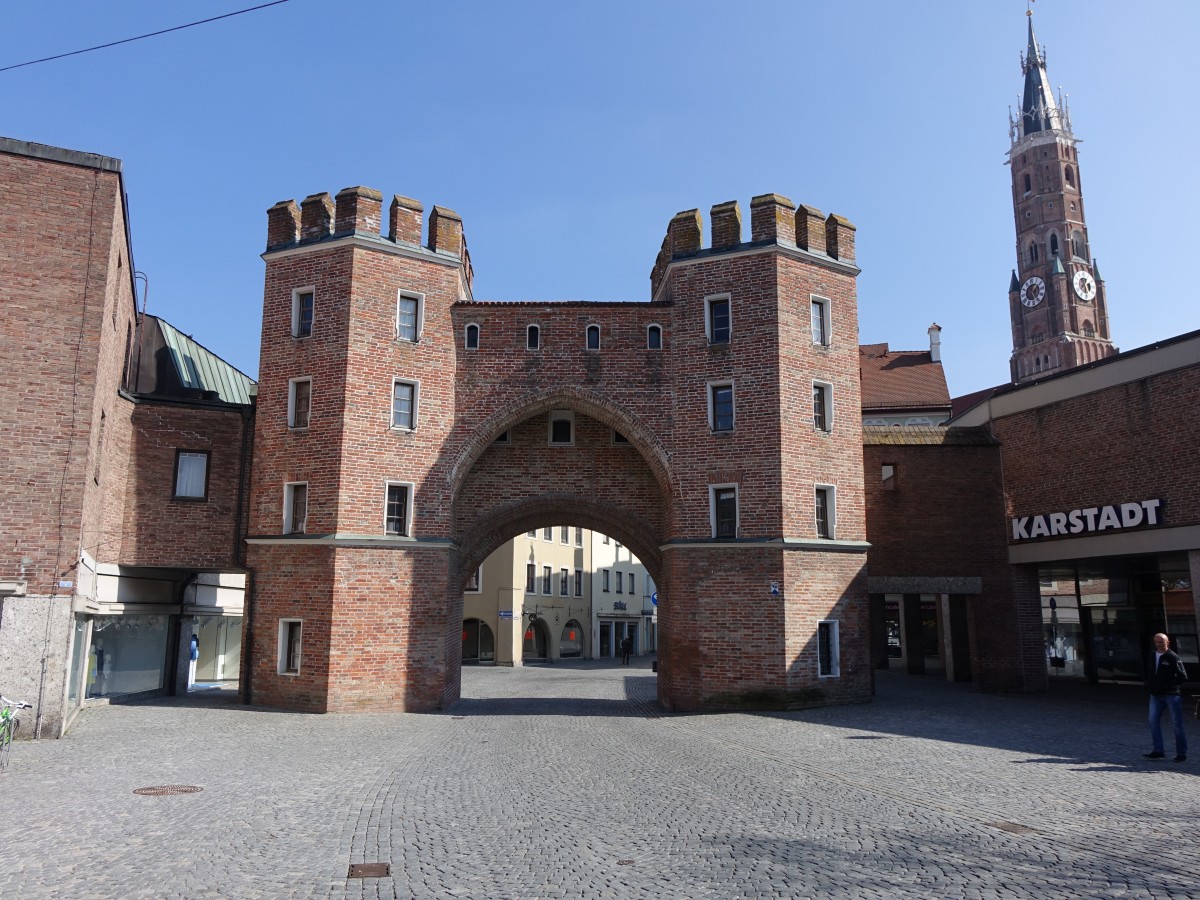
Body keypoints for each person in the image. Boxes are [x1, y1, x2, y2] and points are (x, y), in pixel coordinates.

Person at [1144, 633, 1189, 762]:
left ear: (1167, 642)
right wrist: (1152, 685)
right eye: (1157, 642)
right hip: (1155, 695)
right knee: (1153, 722)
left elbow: (1183, 676)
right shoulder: (1152, 656)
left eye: (1162, 642)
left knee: (1177, 724)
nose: (1159, 644)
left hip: (1171, 695)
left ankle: (1181, 753)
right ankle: (1158, 751)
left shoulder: (1173, 657)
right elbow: (1150, 672)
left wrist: (1167, 685)